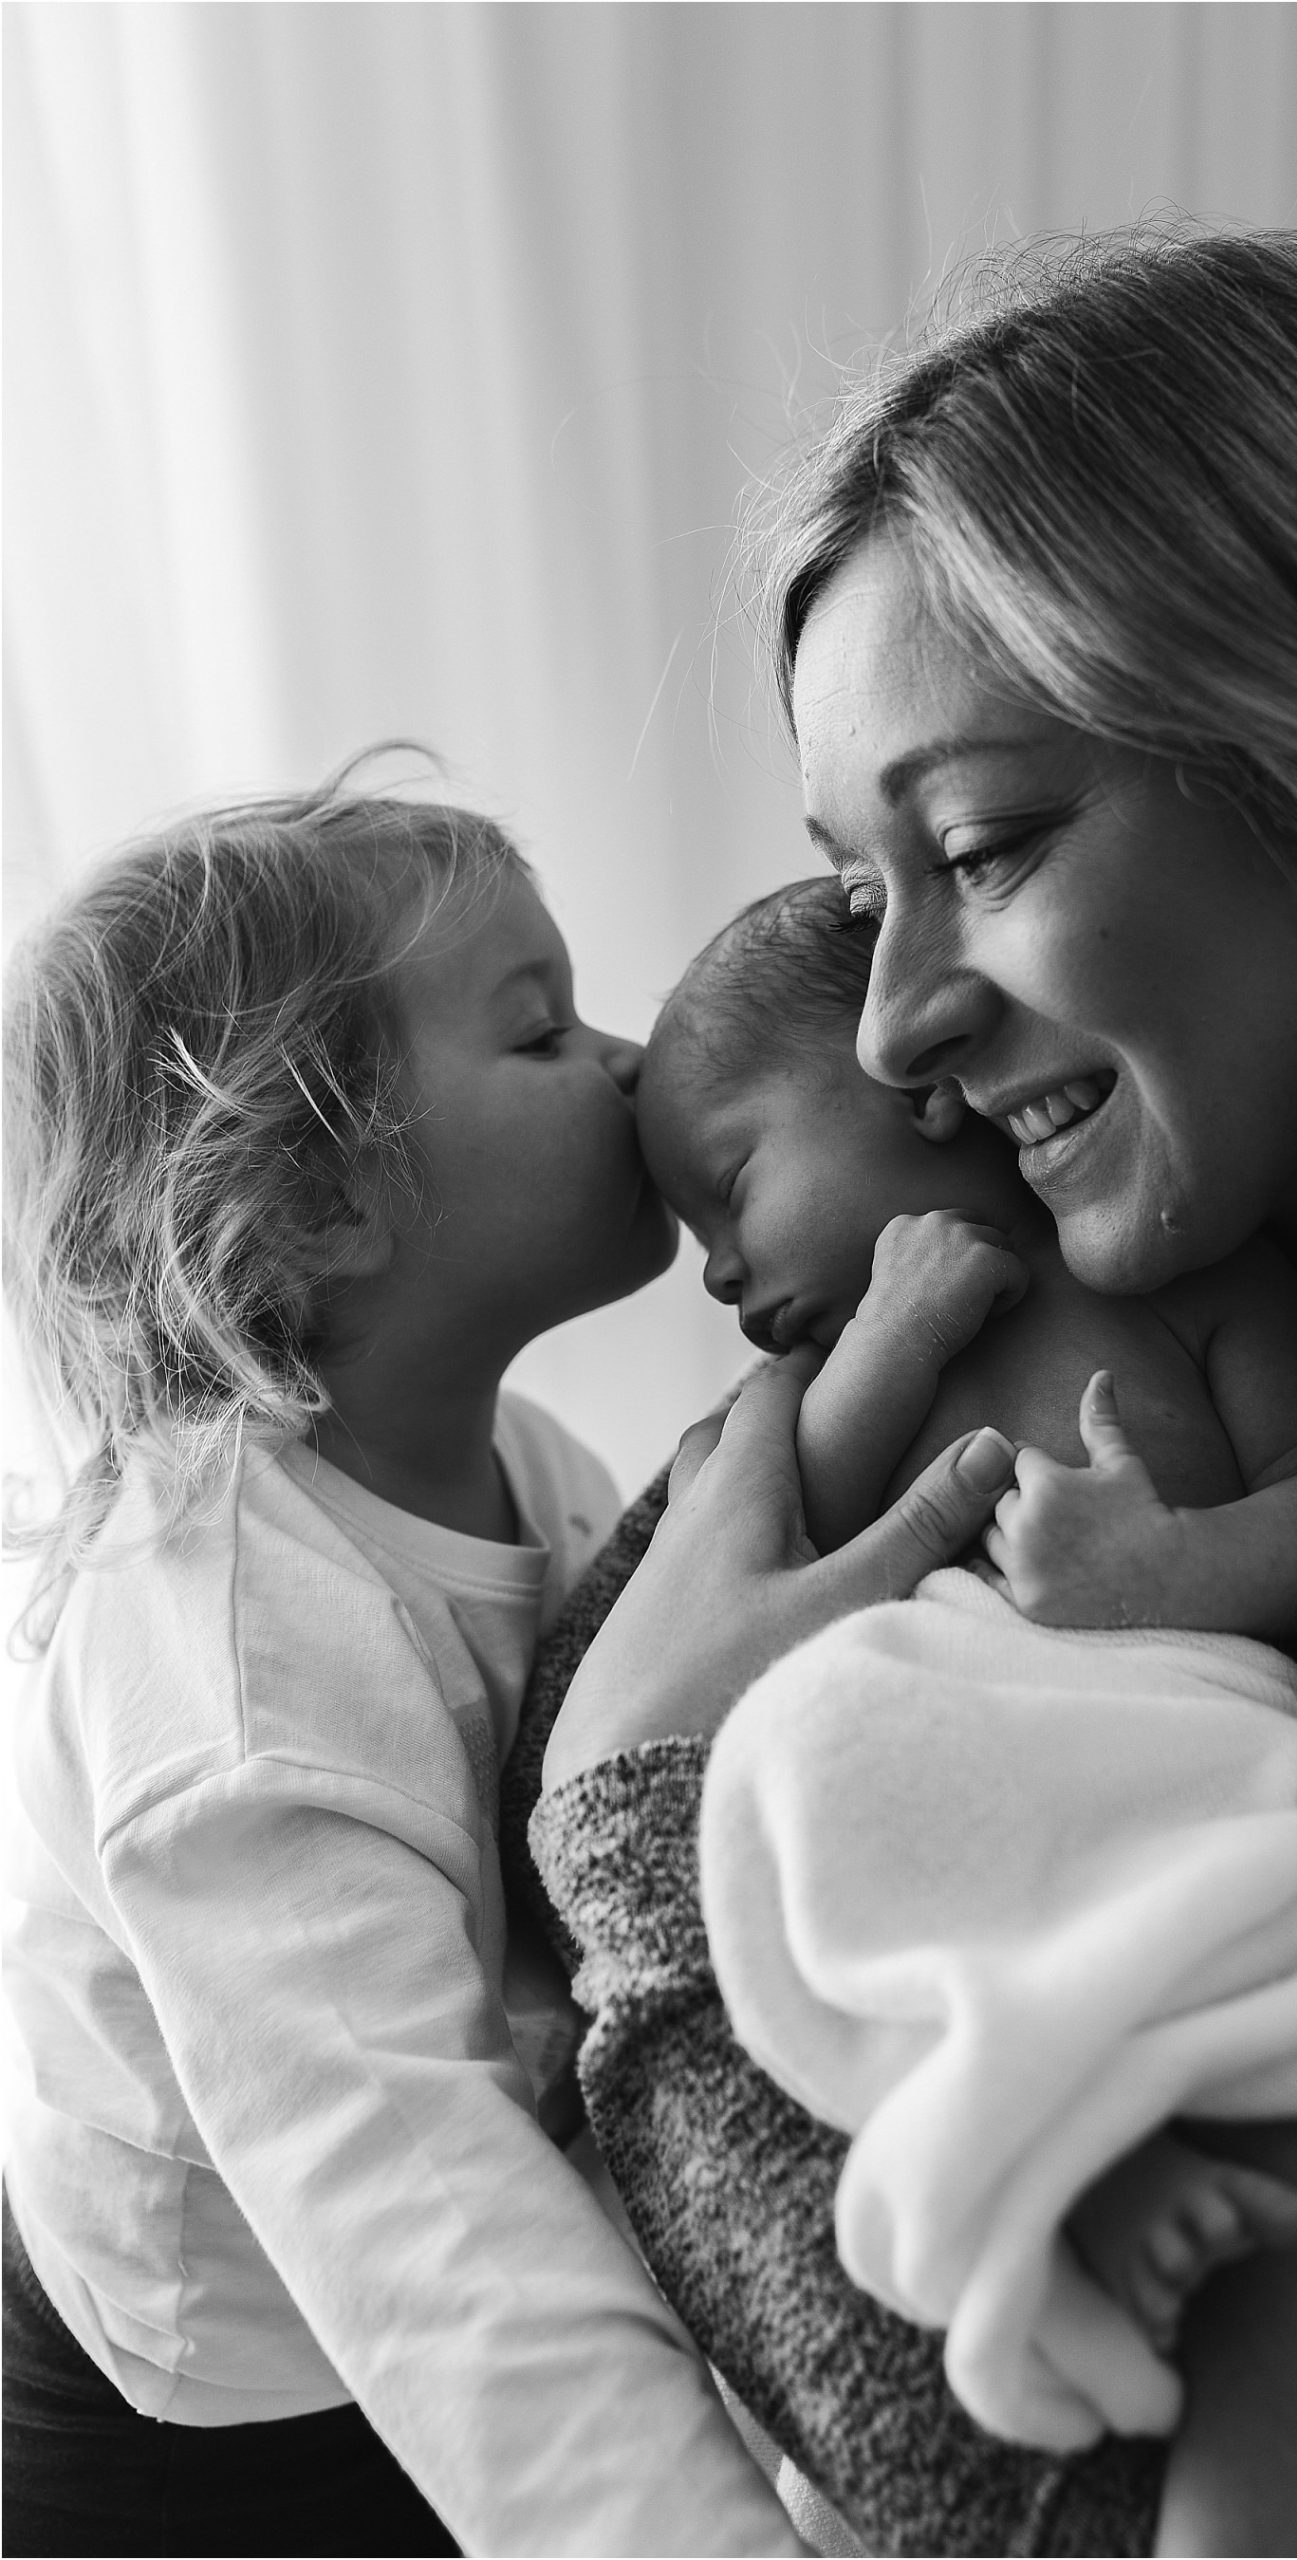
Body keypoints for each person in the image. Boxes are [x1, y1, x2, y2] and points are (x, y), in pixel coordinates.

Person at [519, 229, 1297, 2557]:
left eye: (977, 849)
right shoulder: (1026, 1311)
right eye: (857, 900)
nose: (886, 1030)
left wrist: (640, 1858)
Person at [0, 769, 837, 2557]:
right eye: (540, 1033)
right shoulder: (226, 1665)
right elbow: (436, 2248)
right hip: (220, 2422)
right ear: (315, 1212)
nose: (628, 1060)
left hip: (411, 2237)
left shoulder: (516, 1463)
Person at [626, 874, 1297, 2556]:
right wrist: (893, 1333)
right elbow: (775, 1557)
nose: (722, 1273)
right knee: (828, 1826)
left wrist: (1174, 1565)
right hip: (938, 1791)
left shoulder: (1197, 1283)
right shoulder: (810, 1390)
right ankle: (1075, 2182)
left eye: (730, 1189)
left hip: (1182, 1769)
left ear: (915, 1094)